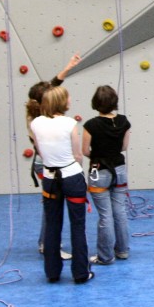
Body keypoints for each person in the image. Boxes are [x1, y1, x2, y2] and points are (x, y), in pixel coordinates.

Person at [31, 86, 92, 284]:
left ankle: (52, 272)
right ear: (61, 102)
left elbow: (39, 150)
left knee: (52, 225)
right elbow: (77, 155)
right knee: (78, 225)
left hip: (50, 179)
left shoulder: (36, 123)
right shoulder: (69, 123)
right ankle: (81, 273)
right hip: (71, 177)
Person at [25, 53, 81, 260]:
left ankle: (46, 243)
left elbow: (53, 83)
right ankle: (47, 244)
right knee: (51, 208)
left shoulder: (37, 113)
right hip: (51, 165)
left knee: (50, 206)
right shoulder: (40, 118)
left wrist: (68, 66)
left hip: (46, 164)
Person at [82, 85, 131, 265]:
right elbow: (124, 147)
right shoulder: (124, 122)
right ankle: (123, 250)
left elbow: (85, 150)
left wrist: (98, 154)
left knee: (105, 215)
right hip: (119, 170)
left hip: (99, 171)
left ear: (96, 103)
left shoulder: (90, 125)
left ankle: (105, 256)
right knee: (120, 211)